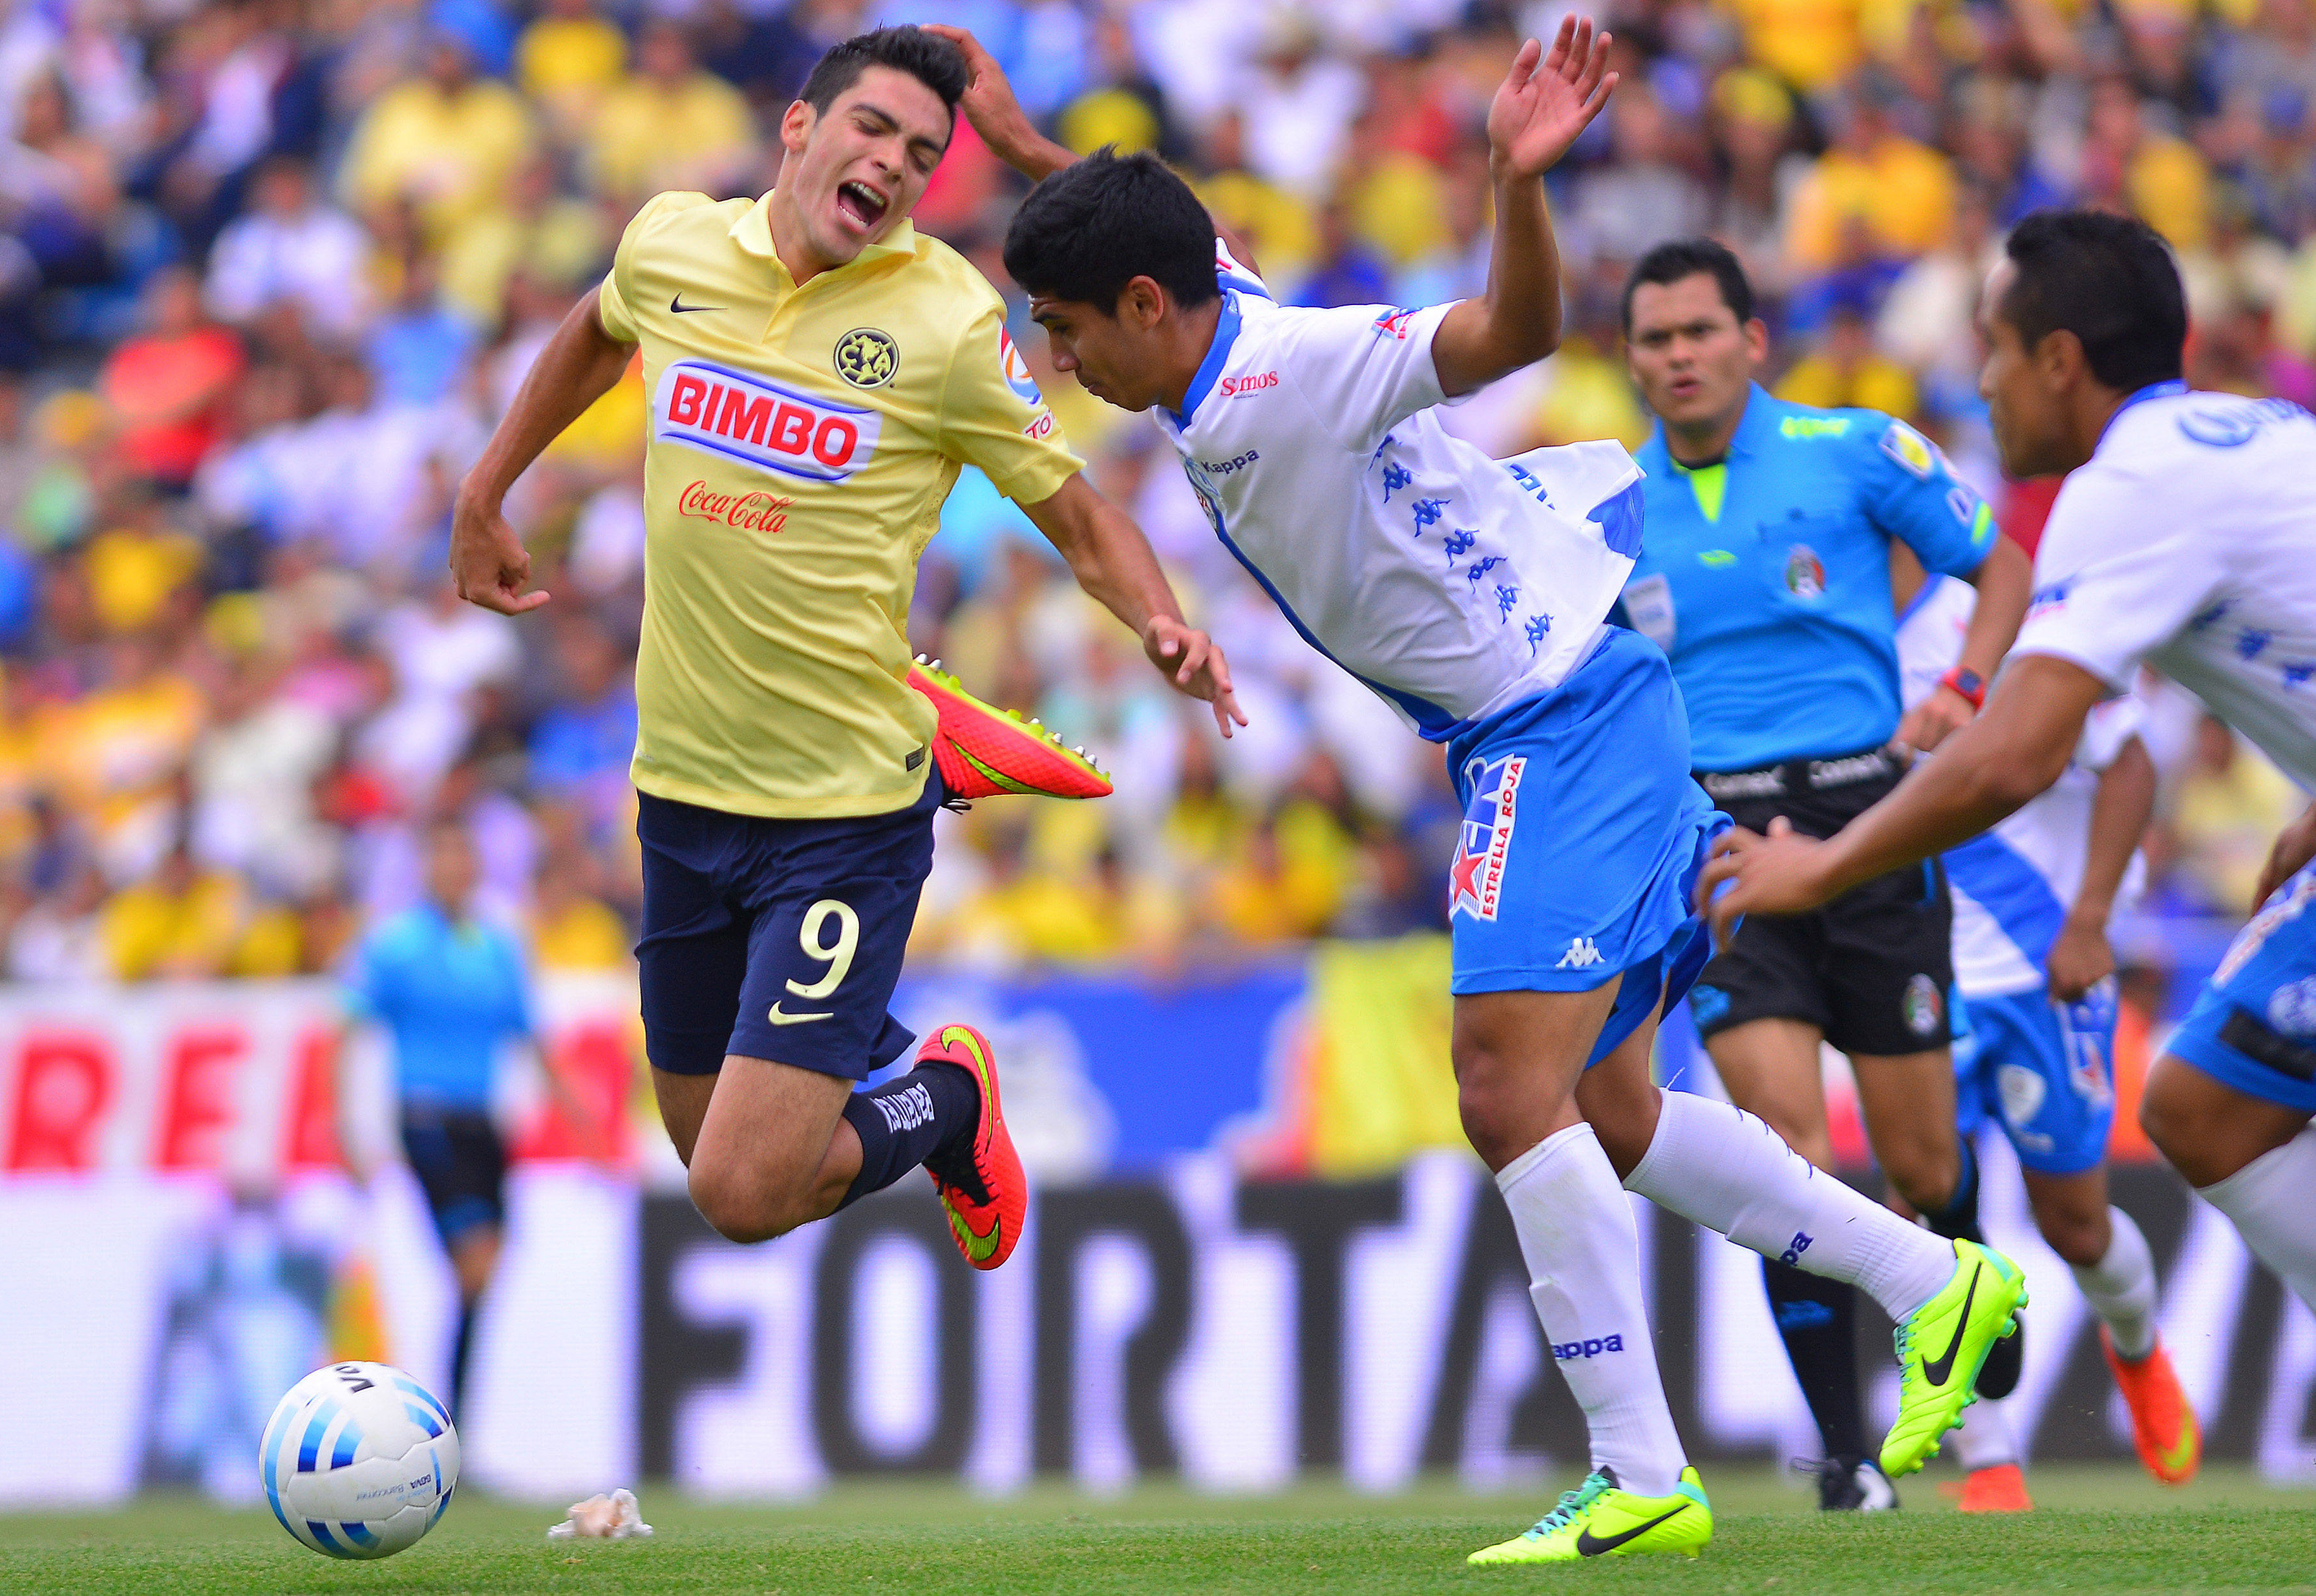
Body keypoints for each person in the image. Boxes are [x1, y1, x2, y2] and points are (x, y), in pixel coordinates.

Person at [944, 16, 2023, 1564]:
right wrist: (1048, 157)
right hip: (1564, 703)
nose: (1054, 360)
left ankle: (1635, 1463)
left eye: (1061, 326)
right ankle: (1935, 1284)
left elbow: (1515, 331)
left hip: (1554, 717)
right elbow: (1190, 240)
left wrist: (1518, 184)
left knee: (1503, 1086)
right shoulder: (1209, 326)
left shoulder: (1293, 371)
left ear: (1137, 308)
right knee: (1610, 1106)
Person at [446, 27, 1239, 1277]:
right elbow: (599, 334)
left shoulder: (944, 320)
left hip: (842, 808)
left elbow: (1082, 515)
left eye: (924, 154)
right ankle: (903, 1042)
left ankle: (950, 1096)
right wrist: (488, 490)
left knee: (744, 1192)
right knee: (704, 1138)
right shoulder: (674, 243)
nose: (895, 163)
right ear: (801, 130)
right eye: (874, 128)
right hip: (684, 791)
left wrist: (1159, 618)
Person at [1701, 209, 2316, 1349]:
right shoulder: (2255, 431)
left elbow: (2019, 754)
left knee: (2202, 1108)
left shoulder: (2127, 488)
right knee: (2201, 1106)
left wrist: (1822, 863)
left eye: (1992, 348)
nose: (1981, 383)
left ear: (2059, 361)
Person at [1617, 236, 2035, 1511]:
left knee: (1917, 1166)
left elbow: (1999, 564)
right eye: (1651, 337)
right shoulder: (1602, 506)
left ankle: (1960, 1279)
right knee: (1782, 1156)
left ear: (1750, 339)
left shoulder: (1855, 449)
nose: (1676, 355)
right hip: (1724, 853)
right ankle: (1843, 1457)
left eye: (1698, 330)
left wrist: (1962, 687)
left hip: (1867, 827)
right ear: (1628, 359)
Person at [1890, 547, 2199, 1509]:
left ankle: (2138, 1349)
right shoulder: (1829, 640)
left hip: (2038, 967)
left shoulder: (1997, 625)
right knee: (1917, 1201)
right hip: (1911, 964)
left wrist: (2092, 919)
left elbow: (2130, 760)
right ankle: (1990, 1461)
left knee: (2074, 1221)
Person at [339, 819, 591, 1424]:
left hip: (484, 1121)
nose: (454, 870)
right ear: (426, 868)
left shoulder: (499, 946)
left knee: (486, 1267)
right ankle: (445, 1421)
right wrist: (343, 1128)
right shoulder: (394, 944)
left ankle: (452, 1420)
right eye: (443, 858)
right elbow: (345, 1031)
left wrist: (586, 1123)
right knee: (474, 1260)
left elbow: (532, 1037)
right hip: (426, 1116)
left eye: (463, 858)